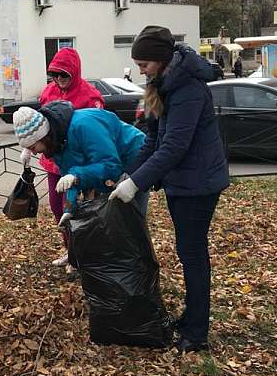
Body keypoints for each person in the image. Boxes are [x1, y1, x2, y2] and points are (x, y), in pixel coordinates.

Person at [109, 26, 230, 354]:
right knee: (187, 252)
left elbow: (175, 146)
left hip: (199, 184)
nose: (140, 70)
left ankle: (197, 332)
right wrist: (128, 175)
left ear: (162, 59)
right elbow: (153, 139)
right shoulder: (161, 84)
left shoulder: (188, 88)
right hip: (181, 182)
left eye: (144, 64)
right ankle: (191, 318)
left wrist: (136, 184)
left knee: (192, 255)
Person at [20, 48, 104, 268]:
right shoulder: (48, 92)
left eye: (63, 74)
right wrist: (29, 146)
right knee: (58, 209)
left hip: (79, 165)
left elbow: (96, 131)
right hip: (54, 163)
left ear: (74, 72)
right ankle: (71, 251)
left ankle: (84, 255)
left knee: (77, 209)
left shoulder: (90, 95)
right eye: (54, 74)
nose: (58, 79)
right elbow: (40, 124)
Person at [13, 102, 146, 222]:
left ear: (42, 137)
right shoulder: (56, 144)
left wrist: (76, 175)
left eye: (32, 147)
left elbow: (110, 166)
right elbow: (70, 179)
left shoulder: (84, 125)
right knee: (110, 220)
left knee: (130, 219)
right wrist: (69, 209)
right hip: (110, 167)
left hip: (134, 159)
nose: (34, 153)